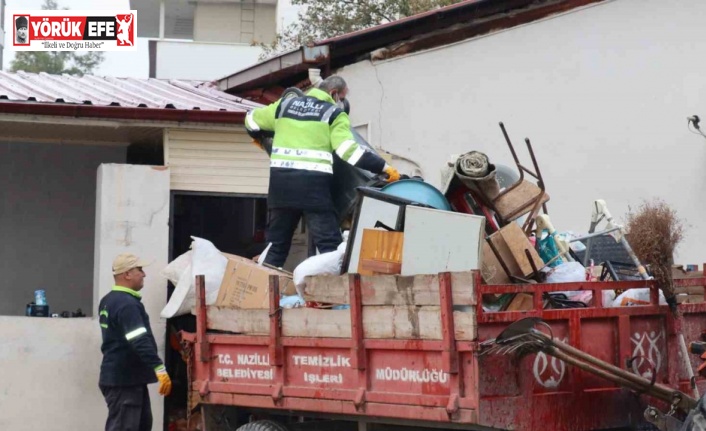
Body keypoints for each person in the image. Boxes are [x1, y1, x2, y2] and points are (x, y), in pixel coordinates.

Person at [245, 75, 401, 268]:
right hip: (313, 189)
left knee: (276, 246)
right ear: (334, 94)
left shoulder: (284, 106)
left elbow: (251, 120)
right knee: (329, 247)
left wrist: (262, 138)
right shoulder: (333, 114)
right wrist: (384, 167)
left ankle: (261, 292)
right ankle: (335, 295)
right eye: (342, 98)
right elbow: (347, 151)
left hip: (281, 187)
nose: (342, 102)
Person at [98, 253, 172, 431]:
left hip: (126, 379)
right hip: (125, 381)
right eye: (140, 270)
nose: (144, 274)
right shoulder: (127, 304)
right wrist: (159, 368)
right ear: (127, 274)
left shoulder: (108, 300)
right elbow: (139, 340)